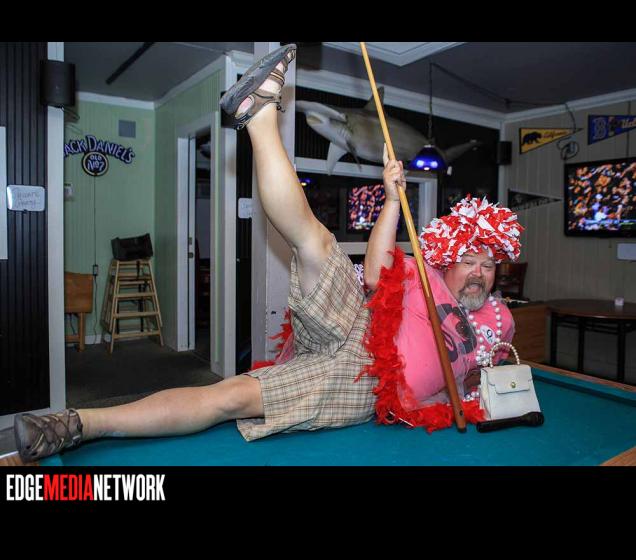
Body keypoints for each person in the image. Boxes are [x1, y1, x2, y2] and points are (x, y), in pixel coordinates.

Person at [14, 44, 524, 463]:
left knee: (232, 396)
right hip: (362, 329)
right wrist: (392, 201)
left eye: (488, 265)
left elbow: (486, 378)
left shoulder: (500, 322)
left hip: (362, 385)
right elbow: (374, 271)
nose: (478, 273)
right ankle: (259, 114)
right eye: (469, 261)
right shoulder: (422, 273)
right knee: (316, 242)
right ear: (448, 260)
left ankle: (74, 424)